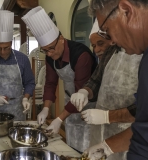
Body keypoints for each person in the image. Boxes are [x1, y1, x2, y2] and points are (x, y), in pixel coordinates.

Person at [77, 0, 148, 160]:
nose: (111, 41)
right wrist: (108, 146)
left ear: (126, 11)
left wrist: (107, 117)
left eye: (106, 30)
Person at [22, 6, 97, 141]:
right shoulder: (50, 57)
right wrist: (45, 108)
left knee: (88, 142)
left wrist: (58, 118)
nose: (49, 53)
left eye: (51, 48)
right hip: (70, 102)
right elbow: (50, 83)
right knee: (72, 140)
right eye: (45, 50)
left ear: (61, 39)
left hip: (89, 104)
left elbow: (80, 89)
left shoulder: (81, 55)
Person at [71, 19, 142, 160]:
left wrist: (106, 116)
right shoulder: (111, 52)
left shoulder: (145, 55)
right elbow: (95, 81)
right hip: (100, 129)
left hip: (127, 135)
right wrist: (85, 91)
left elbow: (143, 109)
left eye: (101, 43)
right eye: (93, 46)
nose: (97, 49)